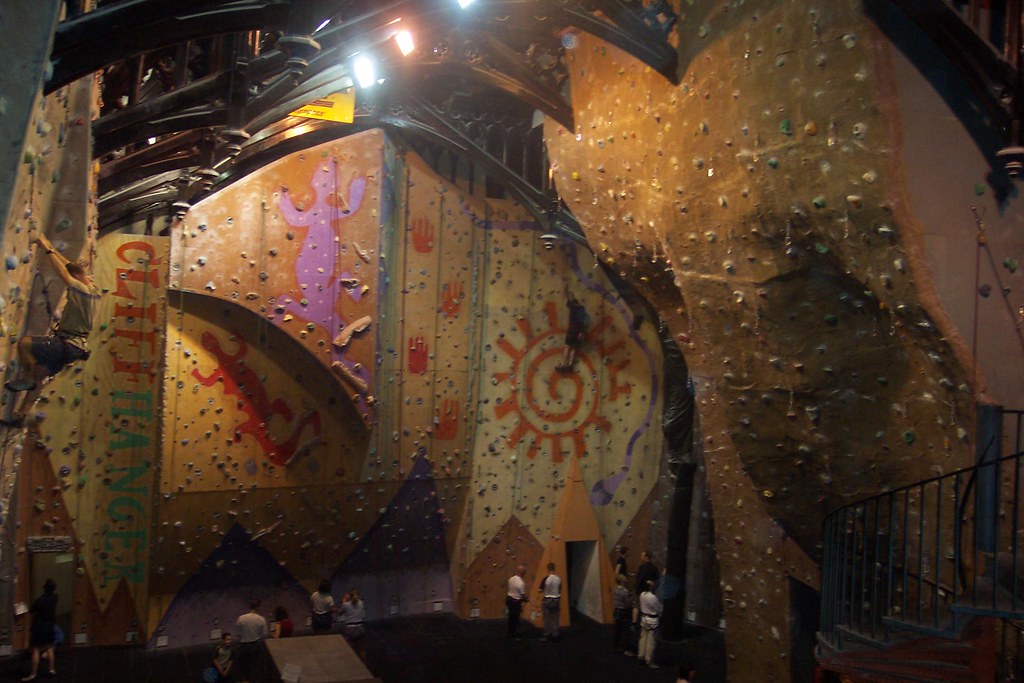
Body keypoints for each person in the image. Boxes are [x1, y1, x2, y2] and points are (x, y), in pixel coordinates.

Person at [6, 234, 100, 393]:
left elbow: (64, 274)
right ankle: (21, 415)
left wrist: (49, 250)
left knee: (25, 344)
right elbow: (69, 267)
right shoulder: (93, 287)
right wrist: (50, 248)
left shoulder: (83, 290)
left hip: (70, 344)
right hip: (74, 346)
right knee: (41, 375)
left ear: (77, 278)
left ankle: (27, 380)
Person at [22, 579, 58, 681]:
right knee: (49, 647)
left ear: (45, 588)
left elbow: (32, 610)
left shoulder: (40, 600)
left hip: (39, 627)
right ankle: (51, 670)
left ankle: (33, 674)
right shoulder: (55, 597)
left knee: (36, 649)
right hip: (50, 626)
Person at [556, 286, 589, 372]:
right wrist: (581, 332)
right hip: (579, 331)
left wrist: (565, 289)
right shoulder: (582, 309)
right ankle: (570, 365)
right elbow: (583, 321)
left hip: (571, 330)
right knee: (574, 348)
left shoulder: (572, 307)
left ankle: (563, 365)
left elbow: (566, 299)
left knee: (567, 347)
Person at [235, 599, 268, 683]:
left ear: (249, 606)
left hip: (243, 646)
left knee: (244, 669)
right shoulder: (261, 619)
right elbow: (264, 635)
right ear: (258, 607)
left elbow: (237, 634)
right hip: (255, 646)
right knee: (254, 669)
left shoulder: (241, 618)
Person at [635, 579, 663, 669]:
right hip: (653, 621)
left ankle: (641, 655)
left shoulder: (642, 595)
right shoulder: (652, 597)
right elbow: (659, 608)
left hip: (644, 619)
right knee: (651, 640)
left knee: (643, 638)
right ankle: (649, 660)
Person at [338, 589, 366, 660]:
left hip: (350, 628)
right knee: (361, 648)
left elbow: (339, 613)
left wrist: (344, 601)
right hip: (360, 627)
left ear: (349, 596)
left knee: (350, 649)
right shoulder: (361, 603)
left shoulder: (346, 605)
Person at [538, 562, 561, 641]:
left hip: (547, 599)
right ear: (554, 569)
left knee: (546, 618)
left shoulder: (545, 579)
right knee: (555, 618)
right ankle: (555, 634)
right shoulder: (558, 579)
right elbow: (560, 590)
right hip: (556, 599)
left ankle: (546, 635)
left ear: (548, 569)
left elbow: (540, 590)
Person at [612, 573, 634, 654]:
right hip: (624, 612)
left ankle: (617, 646)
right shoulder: (625, 591)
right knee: (626, 631)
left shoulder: (615, 589)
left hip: (616, 611)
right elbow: (628, 603)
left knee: (617, 630)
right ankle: (626, 649)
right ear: (622, 581)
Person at [505, 564, 527, 640]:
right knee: (515, 619)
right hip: (516, 602)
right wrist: (526, 600)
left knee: (511, 618)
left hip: (509, 600)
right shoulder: (521, 583)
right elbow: (522, 595)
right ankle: (514, 635)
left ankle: (510, 633)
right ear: (523, 573)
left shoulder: (511, 579)